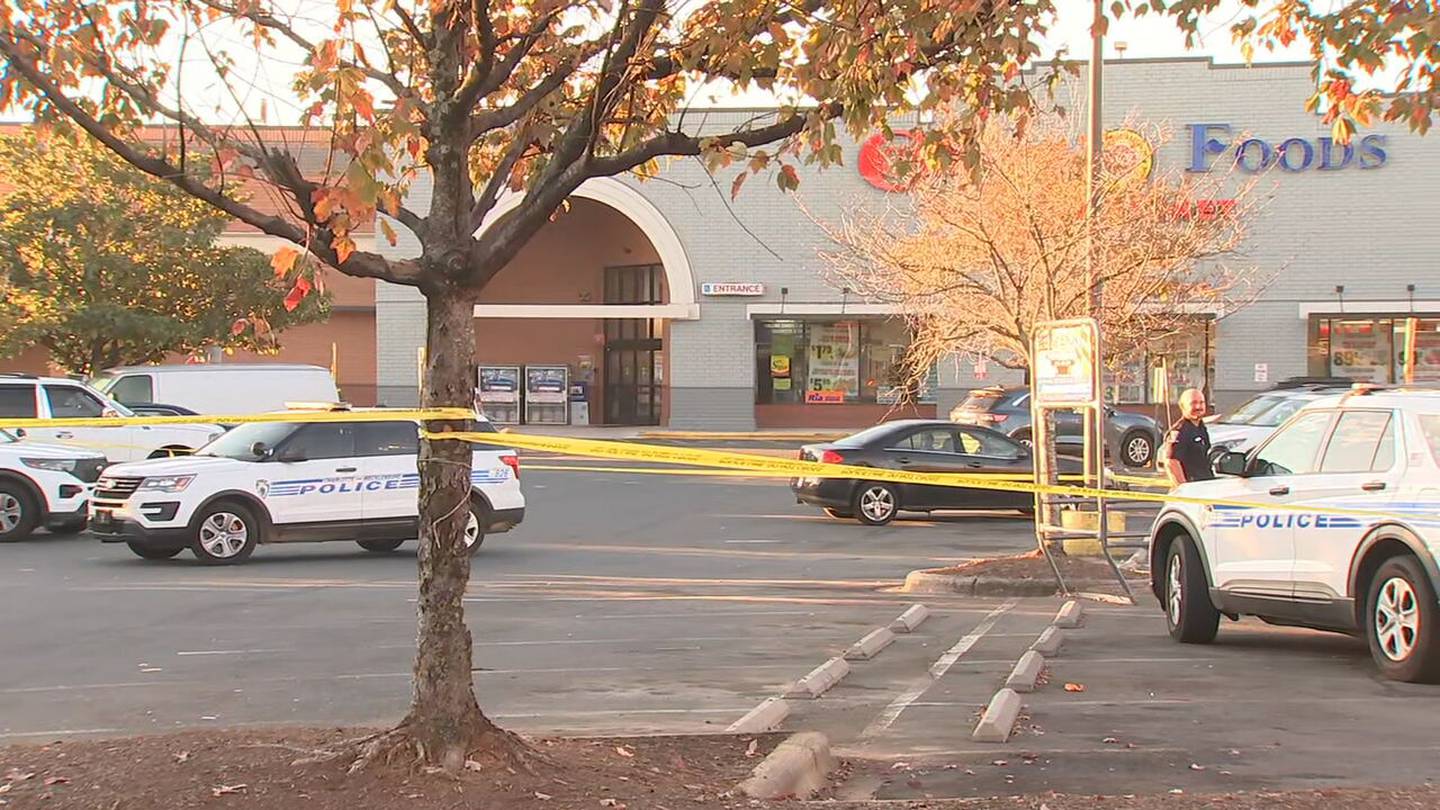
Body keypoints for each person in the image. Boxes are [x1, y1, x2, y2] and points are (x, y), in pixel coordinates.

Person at [1163, 388, 1214, 487]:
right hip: (1192, 488)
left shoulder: (1200, 427)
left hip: (1204, 485)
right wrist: (1184, 489)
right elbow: (1171, 462)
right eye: (1193, 403)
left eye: (1201, 402)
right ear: (1183, 406)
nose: (1198, 406)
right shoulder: (1180, 431)